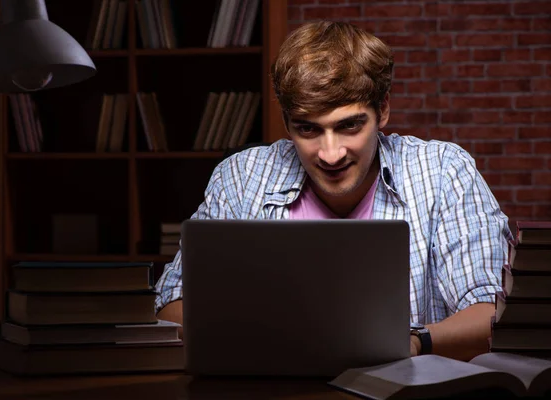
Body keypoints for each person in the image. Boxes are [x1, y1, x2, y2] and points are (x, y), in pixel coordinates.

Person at [155, 21, 512, 361]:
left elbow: (492, 311)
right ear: (286, 123)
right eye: (308, 129)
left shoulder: (443, 172)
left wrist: (414, 342)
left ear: (383, 109)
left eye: (349, 125)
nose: (331, 154)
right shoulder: (240, 177)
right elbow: (172, 301)